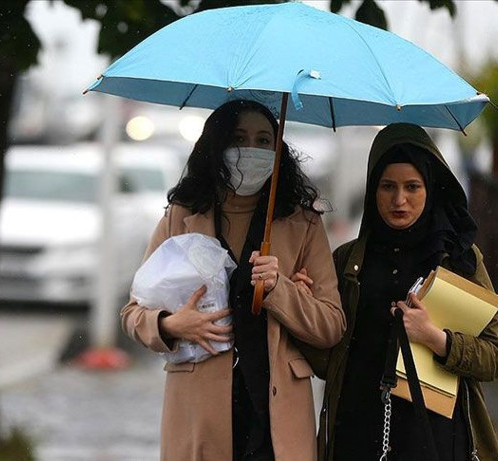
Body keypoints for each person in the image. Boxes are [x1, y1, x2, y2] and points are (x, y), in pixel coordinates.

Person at [120, 99, 346, 461]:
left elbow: (332, 326)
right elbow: (132, 314)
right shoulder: (182, 215)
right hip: (199, 413)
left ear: (278, 150)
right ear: (218, 145)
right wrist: (172, 324)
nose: (251, 151)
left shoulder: (303, 224)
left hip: (276, 419)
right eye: (239, 139)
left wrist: (281, 290)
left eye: (263, 141)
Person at [307, 123, 498, 460]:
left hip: (435, 440)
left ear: (431, 188)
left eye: (413, 187)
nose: (400, 200)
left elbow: (493, 358)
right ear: (373, 190)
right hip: (357, 435)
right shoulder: (348, 260)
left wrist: (434, 337)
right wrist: (305, 306)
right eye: (388, 187)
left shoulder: (459, 260)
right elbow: (327, 364)